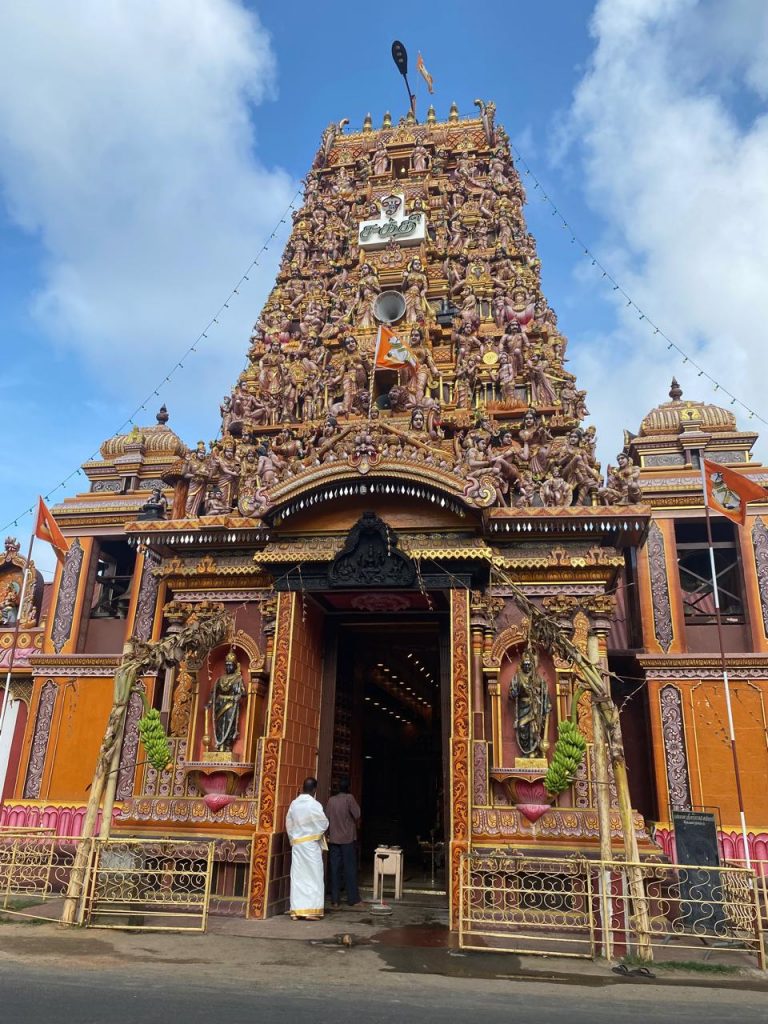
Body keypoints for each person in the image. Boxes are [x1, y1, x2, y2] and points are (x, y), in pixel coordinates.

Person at [286, 777, 329, 921]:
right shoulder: (314, 805)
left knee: (298, 877)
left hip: (298, 846)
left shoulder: (294, 804)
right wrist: (315, 834)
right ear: (314, 789)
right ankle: (311, 911)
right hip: (311, 846)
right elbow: (323, 823)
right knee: (314, 877)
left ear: (302, 787)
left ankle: (296, 911)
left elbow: (289, 823)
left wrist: (293, 839)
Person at [326, 777, 362, 910]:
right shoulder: (349, 798)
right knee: (350, 869)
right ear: (348, 788)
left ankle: (335, 900)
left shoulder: (331, 800)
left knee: (334, 869)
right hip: (347, 840)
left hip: (334, 839)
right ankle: (353, 899)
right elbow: (357, 814)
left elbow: (326, 817)